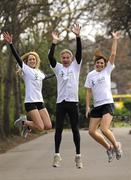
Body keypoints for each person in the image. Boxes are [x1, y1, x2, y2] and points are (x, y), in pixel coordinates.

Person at [3, 32, 52, 138]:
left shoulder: (39, 72)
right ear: (27, 61)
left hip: (40, 101)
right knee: (40, 127)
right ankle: (24, 122)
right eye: (30, 59)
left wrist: (59, 73)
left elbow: (46, 76)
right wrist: (11, 44)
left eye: (34, 59)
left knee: (48, 125)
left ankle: (26, 124)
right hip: (30, 102)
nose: (32, 60)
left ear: (36, 61)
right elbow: (17, 58)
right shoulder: (26, 70)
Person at [48, 24, 83, 168]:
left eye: (68, 57)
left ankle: (78, 156)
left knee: (75, 129)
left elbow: (80, 51)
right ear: (61, 58)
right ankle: (57, 155)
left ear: (72, 58)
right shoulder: (57, 68)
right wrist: (54, 42)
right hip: (61, 103)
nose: (65, 59)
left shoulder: (76, 66)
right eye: (63, 57)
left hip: (73, 102)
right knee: (58, 129)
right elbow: (50, 56)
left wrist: (78, 36)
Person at [84, 31, 123, 163]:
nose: (100, 64)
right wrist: (88, 106)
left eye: (102, 63)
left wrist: (115, 39)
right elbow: (88, 91)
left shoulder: (107, 70)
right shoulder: (90, 75)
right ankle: (109, 147)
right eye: (98, 63)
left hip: (107, 104)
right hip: (97, 106)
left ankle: (117, 146)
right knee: (91, 131)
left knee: (104, 129)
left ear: (105, 64)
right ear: (95, 63)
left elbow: (113, 54)